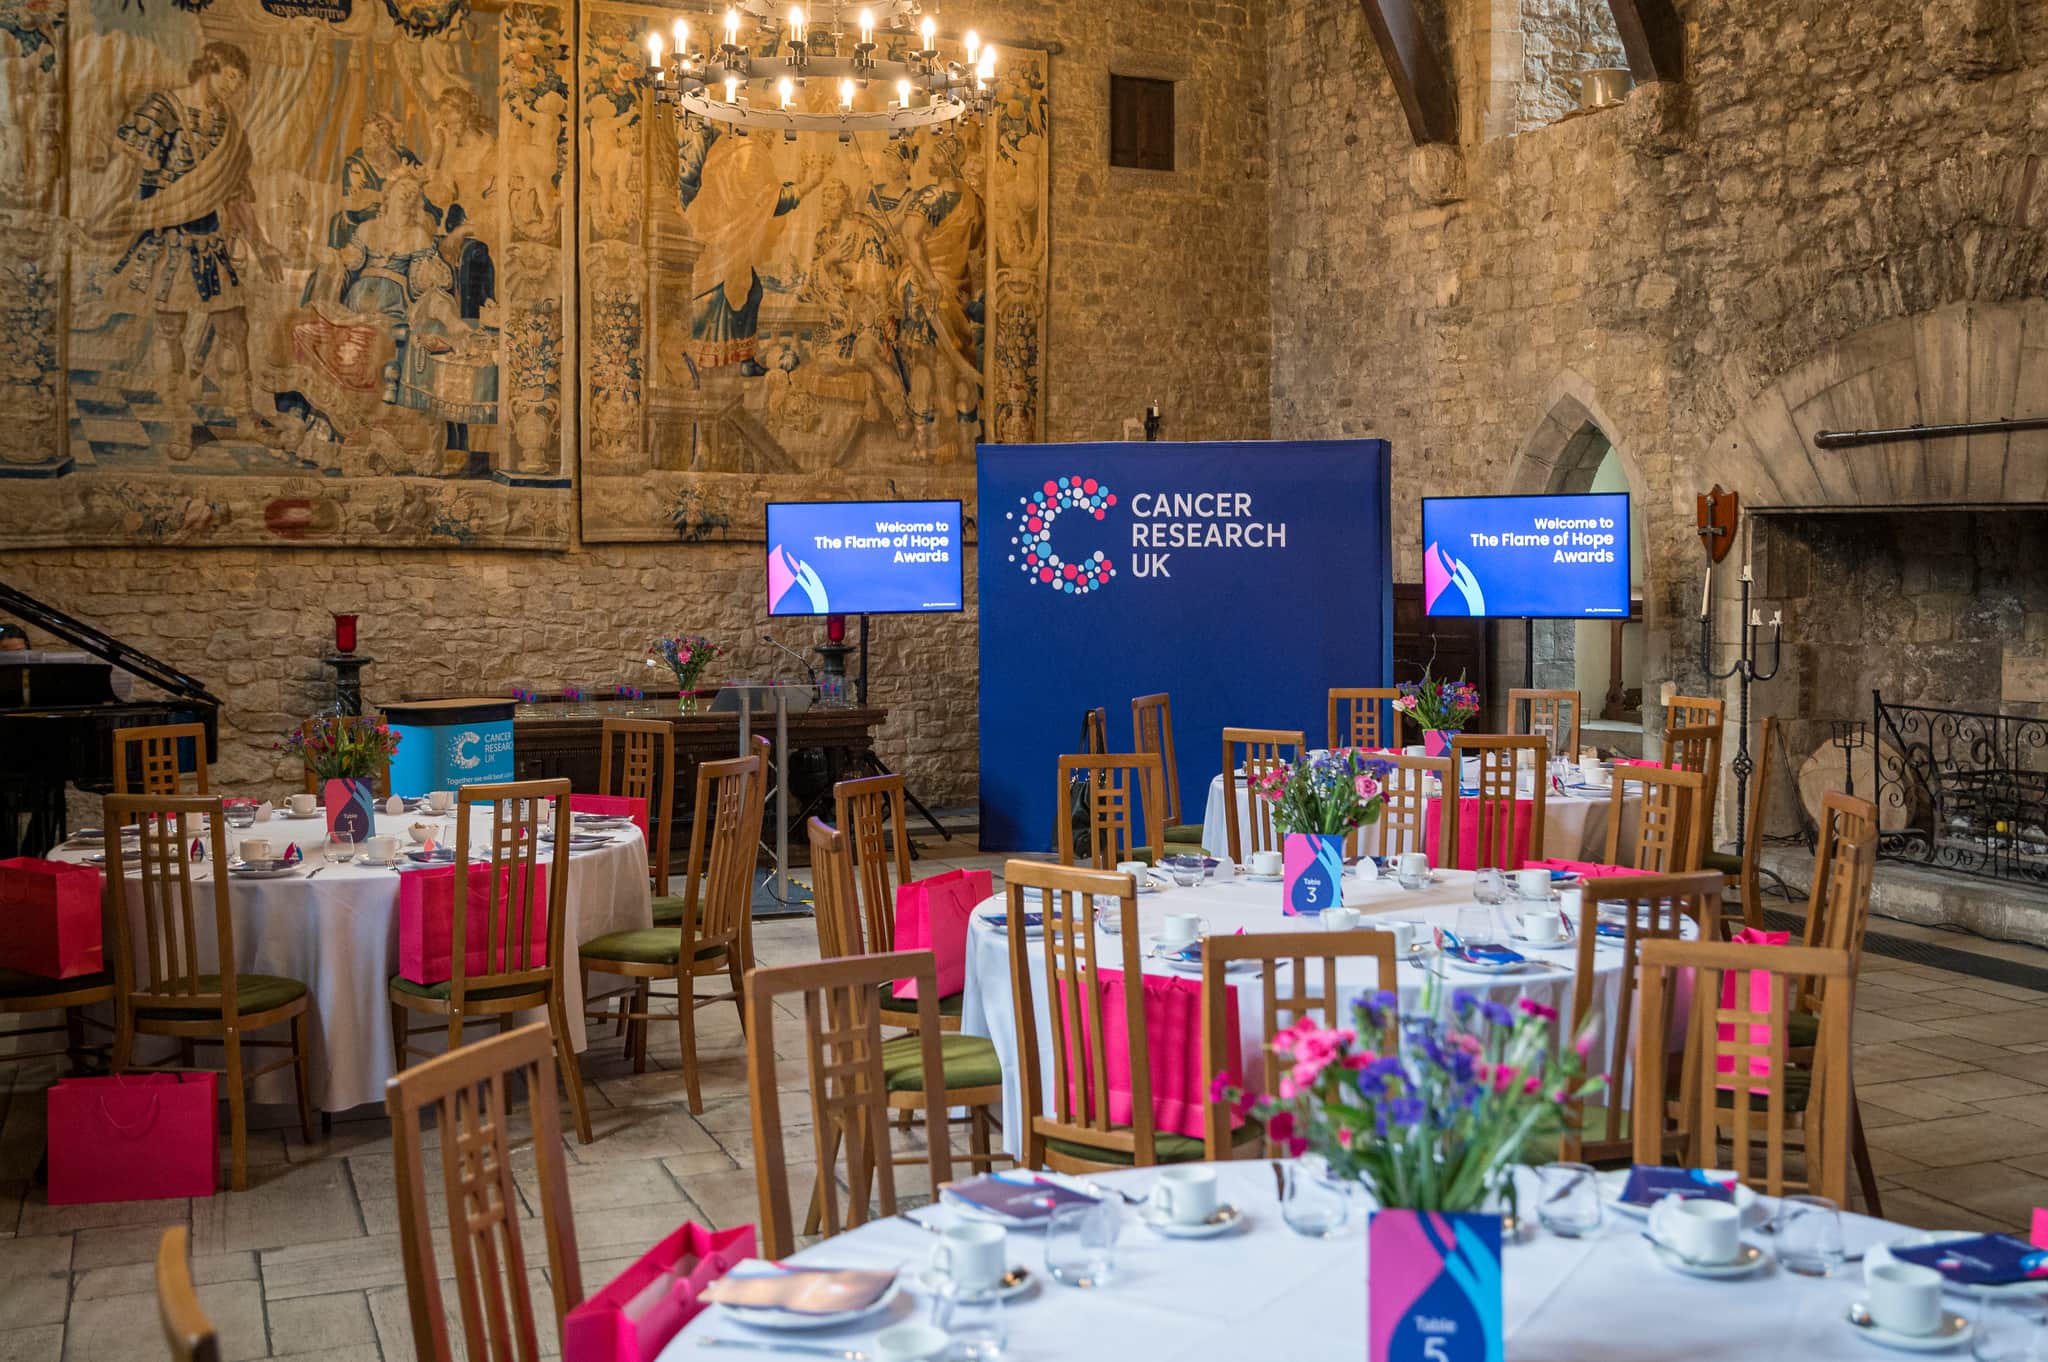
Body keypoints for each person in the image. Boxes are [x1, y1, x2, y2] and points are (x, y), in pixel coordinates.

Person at [87, 42, 283, 449]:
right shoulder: (165, 108)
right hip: (168, 241)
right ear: (211, 66)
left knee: (235, 329)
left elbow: (236, 196)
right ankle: (179, 425)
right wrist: (108, 206)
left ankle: (244, 418)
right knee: (168, 332)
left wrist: (261, 244)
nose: (234, 88)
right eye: (230, 77)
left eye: (240, 83)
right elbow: (128, 162)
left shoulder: (229, 127)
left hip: (210, 243)